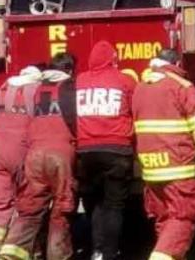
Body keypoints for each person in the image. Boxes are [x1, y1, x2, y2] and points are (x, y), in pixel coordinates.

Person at [132, 49, 195, 260]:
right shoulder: (181, 87)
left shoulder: (141, 88)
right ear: (176, 63)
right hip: (179, 167)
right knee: (185, 215)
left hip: (151, 169)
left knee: (165, 220)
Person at [0, 53, 78, 260]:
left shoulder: (35, 90)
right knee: (61, 211)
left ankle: (11, 251)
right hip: (60, 154)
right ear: (69, 70)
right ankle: (58, 255)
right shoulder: (70, 88)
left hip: (34, 155)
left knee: (30, 209)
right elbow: (74, 122)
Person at [75, 40, 136, 260]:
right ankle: (110, 253)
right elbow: (135, 110)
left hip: (85, 152)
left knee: (93, 203)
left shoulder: (79, 82)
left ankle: (96, 250)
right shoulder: (125, 81)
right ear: (113, 59)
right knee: (114, 206)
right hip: (117, 151)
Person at [0, 66, 43, 259]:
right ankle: (16, 250)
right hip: (22, 151)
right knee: (27, 203)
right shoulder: (36, 90)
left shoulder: (4, 88)